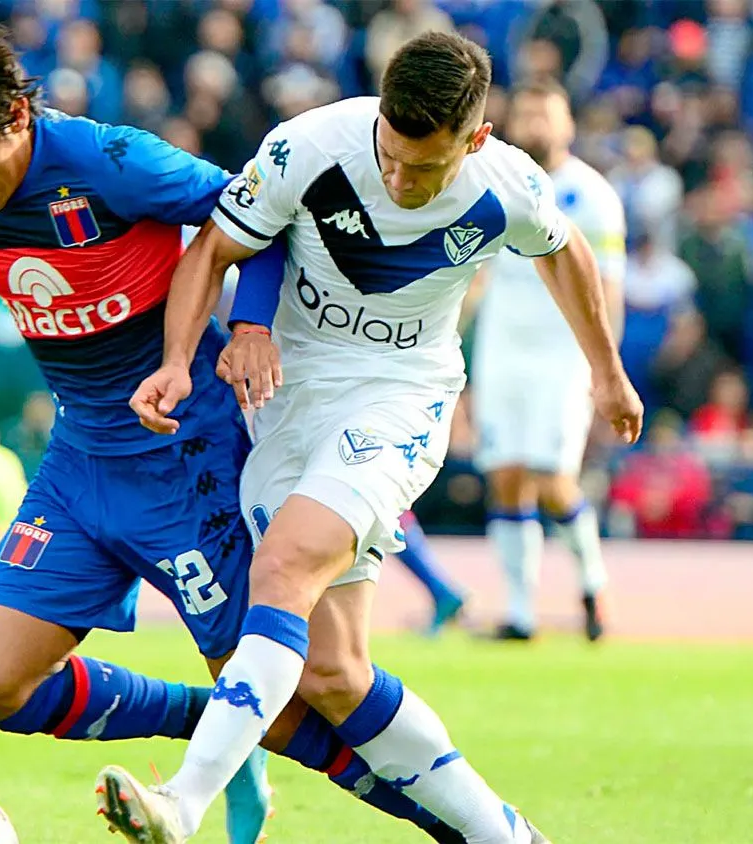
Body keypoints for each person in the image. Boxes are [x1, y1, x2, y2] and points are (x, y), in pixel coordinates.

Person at [0, 12, 460, 844]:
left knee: (299, 706)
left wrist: (251, 328)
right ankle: (212, 723)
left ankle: (472, 830)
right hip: (80, 462)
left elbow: (259, 220)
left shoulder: (111, 163)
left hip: (191, 460)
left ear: (17, 118)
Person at [110, 32, 642, 843]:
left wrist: (605, 370)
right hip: (288, 399)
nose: (398, 178)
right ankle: (505, 835)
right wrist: (181, 361)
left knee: (282, 567)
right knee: (332, 672)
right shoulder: (311, 147)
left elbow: (562, 253)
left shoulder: (509, 187)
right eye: (390, 156)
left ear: (477, 140)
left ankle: (183, 803)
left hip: (401, 400)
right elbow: (218, 245)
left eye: (423, 168)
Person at [232, 239, 468, 635]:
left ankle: (439, 588)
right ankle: (439, 588)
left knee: (342, 495)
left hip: (350, 382)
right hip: (303, 378)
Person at [468, 81, 627, 642]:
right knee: (505, 476)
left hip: (563, 354)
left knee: (554, 479)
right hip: (503, 347)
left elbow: (608, 287)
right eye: (527, 112)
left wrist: (606, 368)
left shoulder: (593, 194)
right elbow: (474, 274)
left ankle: (592, 584)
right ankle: (519, 614)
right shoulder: (494, 178)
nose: (534, 122)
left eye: (546, 114)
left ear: (568, 125)